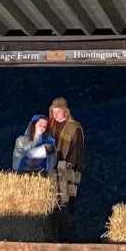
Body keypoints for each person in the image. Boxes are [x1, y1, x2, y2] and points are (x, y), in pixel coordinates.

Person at [48, 97, 84, 242]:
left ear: (65, 111)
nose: (56, 114)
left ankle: (67, 239)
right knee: (52, 207)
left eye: (58, 111)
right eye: (53, 111)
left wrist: (68, 166)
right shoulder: (51, 127)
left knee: (66, 206)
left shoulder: (75, 128)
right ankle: (54, 236)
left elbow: (77, 152)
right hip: (52, 172)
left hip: (68, 173)